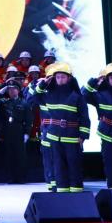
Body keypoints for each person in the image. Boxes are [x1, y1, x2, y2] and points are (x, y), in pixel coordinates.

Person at [28, 62, 89, 193]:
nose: (60, 79)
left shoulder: (77, 96)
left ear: (69, 78)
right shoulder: (49, 94)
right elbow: (34, 97)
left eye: (63, 77)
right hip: (54, 137)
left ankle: (76, 192)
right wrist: (43, 84)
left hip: (72, 137)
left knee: (73, 165)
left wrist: (83, 136)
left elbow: (84, 117)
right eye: (58, 77)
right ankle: (62, 191)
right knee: (58, 166)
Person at [0, 79, 33, 184]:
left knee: (20, 155)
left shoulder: (24, 103)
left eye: (14, 89)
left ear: (18, 90)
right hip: (8, 131)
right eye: (9, 89)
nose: (11, 91)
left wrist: (27, 133)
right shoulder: (4, 102)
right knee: (9, 155)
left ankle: (21, 177)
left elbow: (29, 120)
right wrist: (1, 91)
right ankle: (11, 177)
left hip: (19, 130)